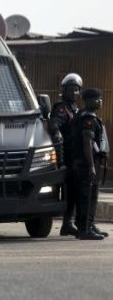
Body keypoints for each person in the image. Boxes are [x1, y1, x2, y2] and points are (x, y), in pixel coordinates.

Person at [71, 88, 108, 240]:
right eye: (97, 99)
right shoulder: (88, 119)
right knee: (88, 196)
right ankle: (85, 229)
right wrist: (92, 166)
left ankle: (87, 225)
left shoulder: (86, 116)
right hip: (87, 164)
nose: (100, 102)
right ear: (88, 101)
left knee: (89, 195)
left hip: (87, 163)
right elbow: (87, 143)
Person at [49, 73, 82, 236]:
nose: (74, 93)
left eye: (76, 90)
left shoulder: (75, 109)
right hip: (66, 156)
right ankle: (67, 222)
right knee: (69, 190)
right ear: (64, 90)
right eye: (71, 90)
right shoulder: (61, 107)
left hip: (77, 156)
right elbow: (54, 126)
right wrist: (60, 159)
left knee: (75, 191)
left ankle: (69, 222)